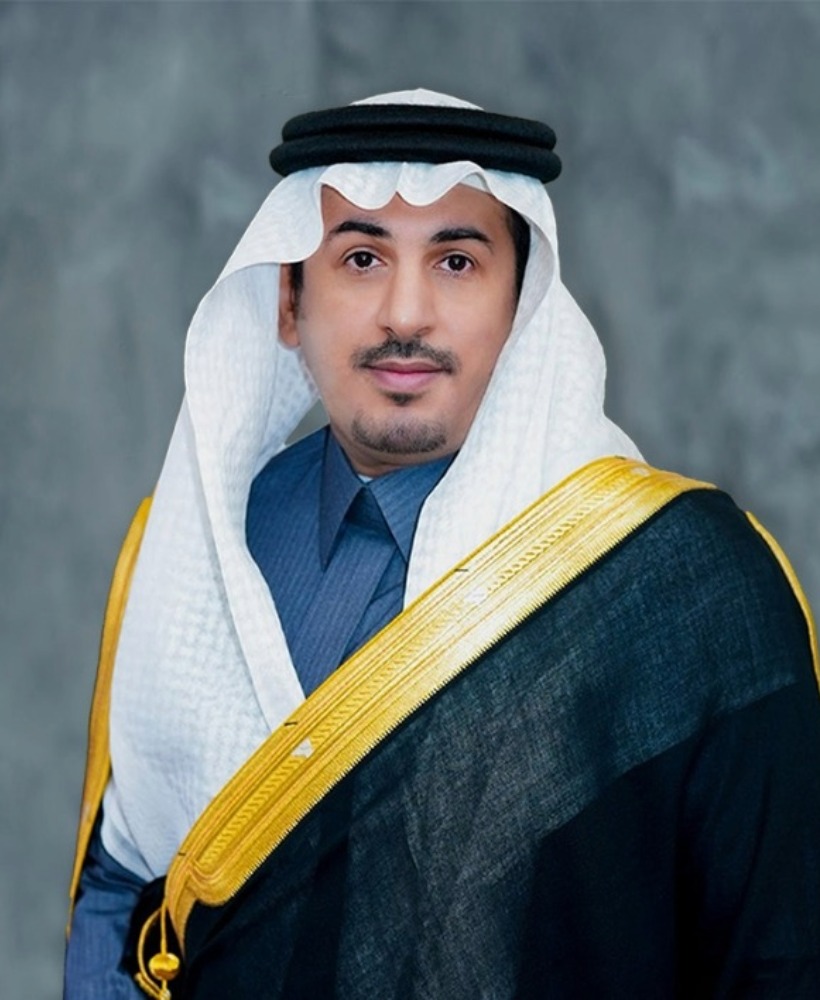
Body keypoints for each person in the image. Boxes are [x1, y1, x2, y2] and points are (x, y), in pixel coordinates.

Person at [65, 89, 820, 999]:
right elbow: (121, 891)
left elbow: (778, 952)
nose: (406, 315)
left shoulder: (681, 582)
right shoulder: (192, 546)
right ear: (288, 302)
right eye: (361, 259)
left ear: (521, 307)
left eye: (456, 261)